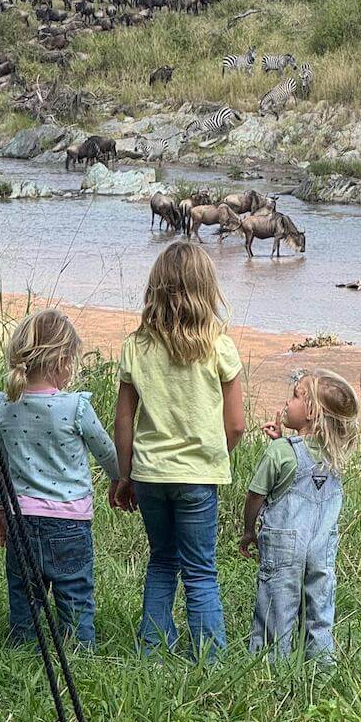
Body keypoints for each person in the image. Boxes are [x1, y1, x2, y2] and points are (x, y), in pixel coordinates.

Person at [114, 240, 244, 656]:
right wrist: (213, 455)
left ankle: (152, 648)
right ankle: (209, 655)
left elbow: (123, 421)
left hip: (151, 474)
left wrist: (124, 474)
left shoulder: (137, 346)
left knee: (161, 562)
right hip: (198, 477)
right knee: (201, 571)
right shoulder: (219, 346)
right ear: (207, 290)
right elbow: (237, 425)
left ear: (156, 289)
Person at [0, 308, 119, 647]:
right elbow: (105, 450)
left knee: (24, 595)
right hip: (69, 523)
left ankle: (23, 648)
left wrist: (0, 509)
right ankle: (81, 652)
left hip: (20, 519)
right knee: (75, 592)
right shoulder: (75, 407)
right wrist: (121, 480)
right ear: (61, 361)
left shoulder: (3, 407)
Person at [239, 368, 360, 663]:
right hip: (322, 548)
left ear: (310, 412)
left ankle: (269, 668)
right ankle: (320, 672)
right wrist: (282, 440)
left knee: (276, 609)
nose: (287, 402)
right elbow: (309, 463)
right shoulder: (335, 456)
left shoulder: (281, 452)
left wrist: (248, 529)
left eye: (295, 396)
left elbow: (256, 495)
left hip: (283, 546)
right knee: (320, 612)